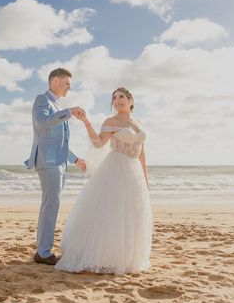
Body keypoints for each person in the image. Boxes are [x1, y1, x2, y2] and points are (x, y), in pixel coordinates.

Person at [55, 87, 152, 274]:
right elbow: (99, 143)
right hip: (117, 167)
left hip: (134, 172)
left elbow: (142, 152)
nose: (117, 101)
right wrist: (86, 122)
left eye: (121, 97)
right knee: (112, 212)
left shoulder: (138, 122)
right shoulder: (111, 121)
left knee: (131, 213)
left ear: (131, 100)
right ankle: (105, 256)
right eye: (114, 98)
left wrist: (145, 180)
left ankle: (125, 257)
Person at [25, 68, 87, 265]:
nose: (70, 87)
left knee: (51, 205)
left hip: (58, 163)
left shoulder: (56, 104)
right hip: (48, 163)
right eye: (67, 83)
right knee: (50, 206)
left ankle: (43, 250)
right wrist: (69, 112)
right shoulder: (42, 99)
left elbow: (58, 141)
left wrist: (75, 159)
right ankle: (43, 253)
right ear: (55, 81)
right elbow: (43, 122)